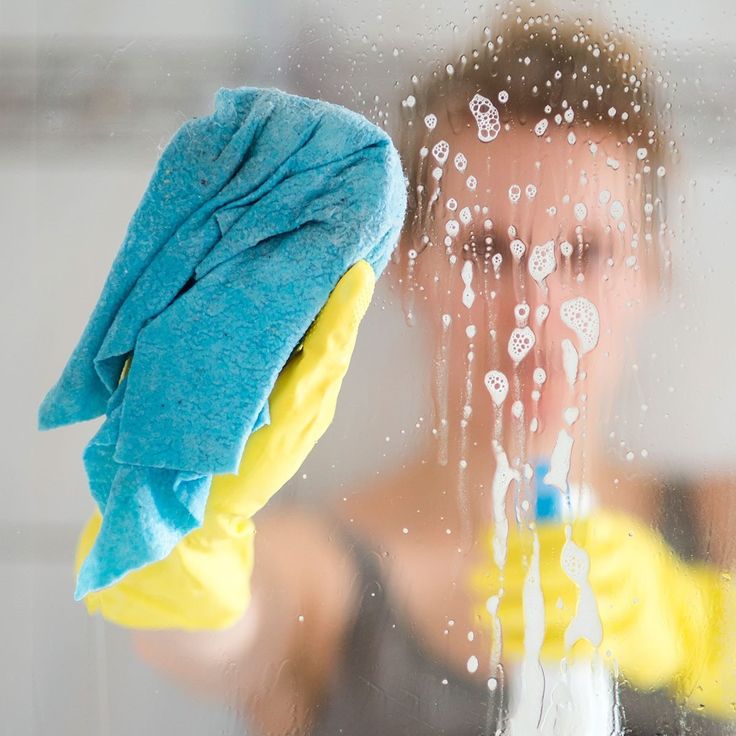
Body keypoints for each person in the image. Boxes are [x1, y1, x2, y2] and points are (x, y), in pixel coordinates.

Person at [113, 7, 733, 735]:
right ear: (408, 267)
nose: (537, 309)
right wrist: (182, 553)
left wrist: (698, 631)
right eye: (488, 252)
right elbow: (219, 640)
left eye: (586, 253)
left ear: (650, 272)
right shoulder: (320, 570)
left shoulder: (721, 526)